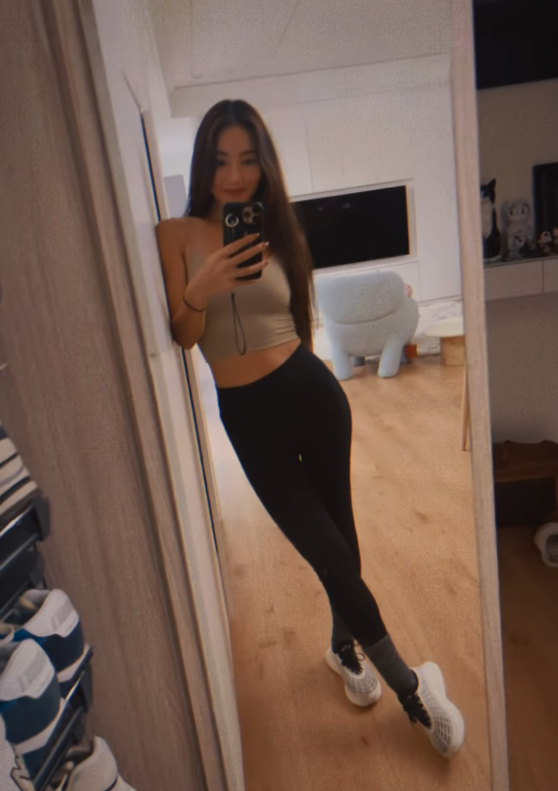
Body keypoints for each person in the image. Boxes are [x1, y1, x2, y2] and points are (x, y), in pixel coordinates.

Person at [156, 99, 464, 758]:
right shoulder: (174, 235)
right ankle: (414, 691)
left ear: (262, 165)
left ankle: (341, 648)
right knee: (323, 548)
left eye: (247, 160)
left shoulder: (277, 228)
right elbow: (183, 336)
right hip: (247, 419)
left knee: (342, 542)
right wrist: (200, 288)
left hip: (313, 395)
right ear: (204, 164)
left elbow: (296, 318)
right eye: (221, 161)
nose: (234, 176)